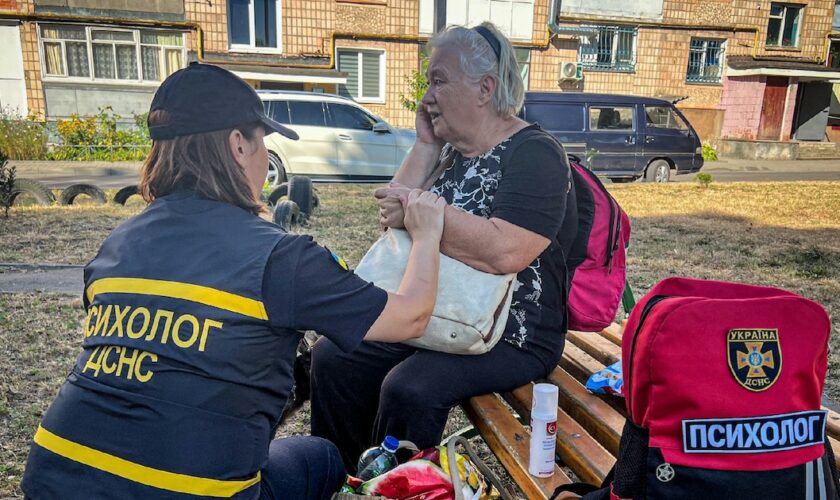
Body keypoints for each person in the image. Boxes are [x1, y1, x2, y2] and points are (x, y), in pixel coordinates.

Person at [21, 62, 446, 500]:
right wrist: (428, 231)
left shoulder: (118, 242)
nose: (266, 158)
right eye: (264, 142)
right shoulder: (280, 257)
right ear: (238, 145)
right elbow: (411, 316)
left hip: (53, 479)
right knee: (320, 456)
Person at [310, 22, 577, 470]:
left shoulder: (535, 154)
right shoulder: (454, 151)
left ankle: (394, 486)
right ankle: (335, 475)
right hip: (441, 314)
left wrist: (425, 214)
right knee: (334, 354)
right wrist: (425, 143)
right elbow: (391, 212)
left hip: (512, 334)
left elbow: (505, 251)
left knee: (409, 387)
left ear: (485, 88)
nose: (426, 95)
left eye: (438, 81)